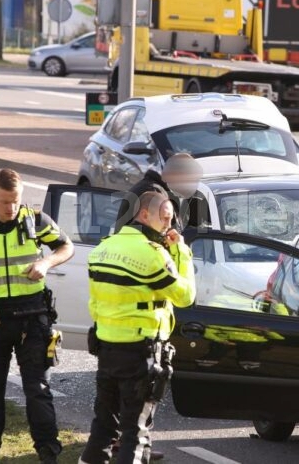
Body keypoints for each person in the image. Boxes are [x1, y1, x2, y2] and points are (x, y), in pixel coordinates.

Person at [0, 168, 75, 464]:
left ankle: (48, 453)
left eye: (16, 201)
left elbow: (66, 246)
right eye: (5, 202)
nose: (11, 208)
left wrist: (47, 262)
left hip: (33, 316)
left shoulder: (34, 220)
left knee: (38, 390)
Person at [80, 189, 196, 464]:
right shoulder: (152, 255)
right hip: (140, 351)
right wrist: (181, 251)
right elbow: (185, 296)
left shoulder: (103, 248)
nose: (169, 225)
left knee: (104, 426)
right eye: (165, 218)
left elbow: (96, 303)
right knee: (135, 429)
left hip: (107, 347)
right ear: (144, 215)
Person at [114, 152, 203, 233]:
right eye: (192, 181)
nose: (194, 187)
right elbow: (155, 235)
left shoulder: (160, 191)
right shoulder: (154, 194)